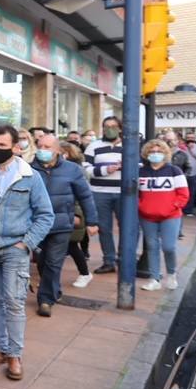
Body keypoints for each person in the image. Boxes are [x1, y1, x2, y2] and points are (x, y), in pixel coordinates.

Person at [0, 125, 54, 381]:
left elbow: (45, 215)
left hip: (15, 249)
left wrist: (26, 243)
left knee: (15, 302)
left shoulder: (30, 177)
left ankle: (15, 355)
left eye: (2, 146)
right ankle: (1, 348)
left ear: (16, 147)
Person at [30, 133, 98, 316]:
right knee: (42, 263)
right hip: (37, 225)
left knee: (53, 261)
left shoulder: (72, 170)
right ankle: (54, 290)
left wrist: (91, 221)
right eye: (40, 146)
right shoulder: (29, 170)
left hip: (61, 225)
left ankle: (45, 300)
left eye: (47, 147)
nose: (42, 151)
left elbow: (85, 196)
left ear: (58, 150)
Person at [138, 138, 190, 291]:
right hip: (147, 216)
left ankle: (171, 274)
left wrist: (173, 207)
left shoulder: (175, 171)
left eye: (159, 151)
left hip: (170, 216)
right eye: (152, 151)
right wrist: (140, 207)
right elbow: (135, 194)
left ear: (165, 153)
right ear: (146, 154)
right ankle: (154, 278)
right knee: (152, 247)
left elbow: (183, 194)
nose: (155, 154)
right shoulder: (141, 172)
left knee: (169, 247)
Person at [83, 116, 125, 274]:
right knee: (104, 228)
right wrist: (105, 170)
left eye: (113, 126)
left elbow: (140, 166)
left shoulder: (130, 146)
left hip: (123, 193)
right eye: (106, 126)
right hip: (100, 193)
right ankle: (109, 261)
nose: (110, 129)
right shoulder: (94, 146)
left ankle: (124, 258)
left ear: (120, 128)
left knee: (126, 227)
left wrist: (125, 166)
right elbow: (86, 168)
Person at [60, 141, 95, 288]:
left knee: (72, 245)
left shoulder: (76, 170)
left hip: (73, 212)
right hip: (61, 212)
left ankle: (85, 273)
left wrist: (80, 215)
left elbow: (84, 195)